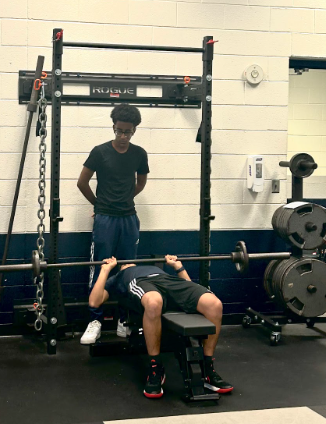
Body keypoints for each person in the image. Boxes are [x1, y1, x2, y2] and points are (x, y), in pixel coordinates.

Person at [89, 255, 234, 399]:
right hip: (142, 283)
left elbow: (189, 291)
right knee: (153, 302)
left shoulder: (154, 268)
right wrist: (105, 270)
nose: (128, 262)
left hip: (169, 281)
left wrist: (179, 267)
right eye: (124, 263)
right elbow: (94, 302)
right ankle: (155, 367)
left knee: (214, 305)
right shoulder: (118, 278)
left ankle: (207, 367)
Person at [77, 104, 149, 344]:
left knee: (128, 270)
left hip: (129, 219)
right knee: (101, 268)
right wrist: (100, 206)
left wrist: (124, 199)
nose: (122, 136)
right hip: (105, 219)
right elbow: (82, 182)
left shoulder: (139, 154)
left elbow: (140, 183)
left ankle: (124, 319)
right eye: (119, 131)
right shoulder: (99, 152)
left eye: (127, 132)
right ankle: (95, 320)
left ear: (134, 131)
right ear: (114, 127)